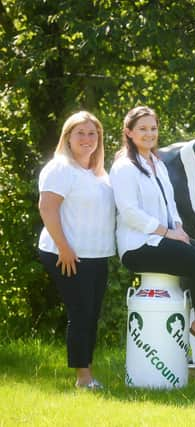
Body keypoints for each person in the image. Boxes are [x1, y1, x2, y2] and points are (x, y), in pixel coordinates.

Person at [110, 106, 195, 360]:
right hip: (140, 246)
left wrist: (178, 227)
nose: (149, 133)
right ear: (129, 132)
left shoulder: (157, 164)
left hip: (164, 237)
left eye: (153, 128)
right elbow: (129, 212)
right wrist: (166, 233)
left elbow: (170, 204)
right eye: (143, 129)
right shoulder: (124, 167)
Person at [38, 111, 115, 389]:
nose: (87, 139)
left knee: (91, 314)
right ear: (67, 137)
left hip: (96, 255)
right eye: (80, 133)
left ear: (99, 138)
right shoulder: (60, 168)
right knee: (81, 313)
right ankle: (84, 378)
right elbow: (47, 208)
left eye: (92, 133)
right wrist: (64, 248)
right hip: (67, 254)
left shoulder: (98, 174)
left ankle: (88, 373)